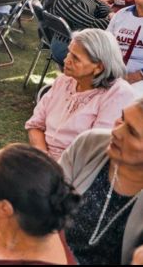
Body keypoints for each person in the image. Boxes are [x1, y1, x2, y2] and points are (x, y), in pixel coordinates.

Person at [26, 29, 133, 161]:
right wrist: (43, 156)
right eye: (69, 52)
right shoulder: (64, 80)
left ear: (99, 67)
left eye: (75, 58)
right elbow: (35, 125)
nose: (66, 60)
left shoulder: (118, 94)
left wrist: (53, 168)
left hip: (77, 169)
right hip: (43, 159)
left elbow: (95, 149)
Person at [60, 102, 143, 265]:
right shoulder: (90, 143)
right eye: (122, 118)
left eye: (132, 132)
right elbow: (44, 201)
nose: (116, 132)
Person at [47, 0, 111, 65]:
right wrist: (115, 21)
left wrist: (110, 13)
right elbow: (92, 24)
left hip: (82, 42)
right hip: (67, 47)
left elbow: (100, 5)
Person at [108, 0, 143, 99]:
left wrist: (138, 75)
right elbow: (107, 43)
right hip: (112, 71)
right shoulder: (122, 14)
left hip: (138, 77)